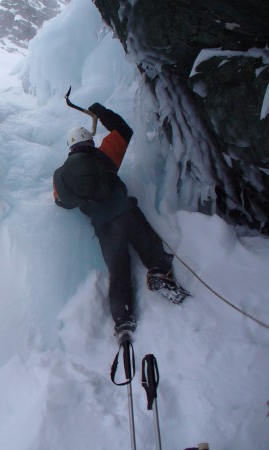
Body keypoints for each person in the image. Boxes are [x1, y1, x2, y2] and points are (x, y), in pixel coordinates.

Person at [53, 102, 188, 344]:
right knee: (151, 249)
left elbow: (62, 202)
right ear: (89, 143)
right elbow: (124, 130)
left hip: (105, 228)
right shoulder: (104, 156)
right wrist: (101, 112)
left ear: (70, 147)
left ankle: (123, 320)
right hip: (127, 214)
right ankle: (159, 273)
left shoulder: (61, 175)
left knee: (119, 274)